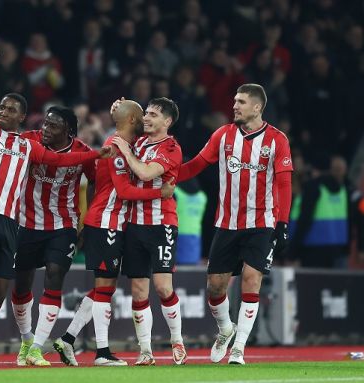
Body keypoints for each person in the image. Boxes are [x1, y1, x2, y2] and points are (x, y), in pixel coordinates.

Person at [0, 41, 111, 367]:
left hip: (14, 223)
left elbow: (59, 161)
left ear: (22, 116)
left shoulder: (28, 147)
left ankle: (9, 339)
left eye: (11, 109)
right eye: (1, 107)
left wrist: (96, 155)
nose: (3, 112)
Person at [177, 83, 293, 365]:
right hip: (227, 223)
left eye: (241, 102)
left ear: (257, 107)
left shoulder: (277, 140)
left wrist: (282, 223)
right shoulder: (223, 134)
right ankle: (225, 330)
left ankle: (239, 347)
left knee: (252, 281)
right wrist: (165, 175)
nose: (234, 106)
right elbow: (196, 165)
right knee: (215, 288)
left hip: (262, 223)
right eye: (235, 101)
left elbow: (285, 183)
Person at [53, 100, 174, 367]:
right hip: (107, 222)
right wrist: (160, 193)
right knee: (105, 289)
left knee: (103, 289)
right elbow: (125, 192)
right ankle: (102, 352)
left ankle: (68, 338)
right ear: (132, 120)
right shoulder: (117, 147)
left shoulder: (126, 144)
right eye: (142, 115)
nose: (146, 120)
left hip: (112, 223)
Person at [10, 106, 96, 367]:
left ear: (68, 130)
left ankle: (37, 348)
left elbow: (93, 182)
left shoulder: (82, 152)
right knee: (22, 286)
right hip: (26, 223)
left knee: (54, 275)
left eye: (54, 126)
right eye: (45, 124)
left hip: (64, 224)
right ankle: (26, 339)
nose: (46, 129)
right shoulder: (29, 141)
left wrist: (88, 220)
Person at [112, 97, 188, 365]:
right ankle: (145, 350)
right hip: (135, 224)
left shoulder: (170, 148)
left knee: (163, 287)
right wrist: (118, 111)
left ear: (167, 121)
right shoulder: (140, 142)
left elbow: (144, 173)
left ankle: (177, 340)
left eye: (153, 114)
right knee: (138, 291)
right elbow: (122, 130)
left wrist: (127, 152)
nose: (146, 118)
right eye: (145, 112)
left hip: (161, 224)